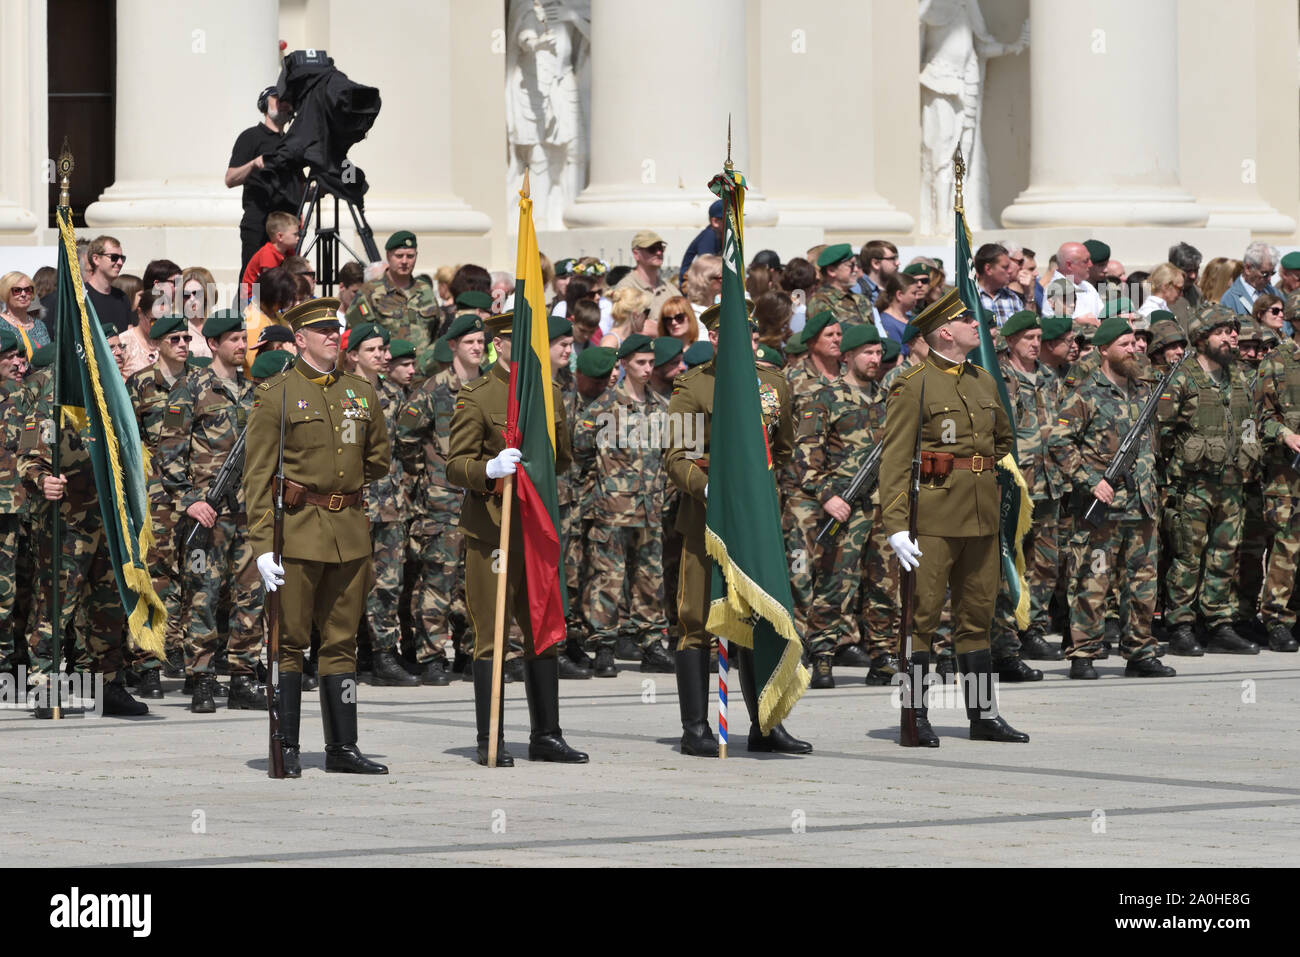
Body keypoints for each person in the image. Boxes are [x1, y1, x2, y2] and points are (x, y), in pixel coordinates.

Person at [243, 297, 392, 777]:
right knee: (288, 643)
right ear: (300, 339)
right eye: (323, 329)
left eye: (337, 328)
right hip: (298, 531)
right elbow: (258, 476)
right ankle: (286, 743)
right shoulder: (276, 394)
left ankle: (342, 746)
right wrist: (264, 546)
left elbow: (378, 459)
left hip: (348, 529)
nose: (333, 335)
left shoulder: (362, 393)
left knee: (341, 641)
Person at [879, 288, 1029, 745]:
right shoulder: (914, 383)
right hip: (934, 518)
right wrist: (897, 524)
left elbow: (1002, 439)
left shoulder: (983, 380)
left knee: (977, 617)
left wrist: (973, 470)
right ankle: (915, 715)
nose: (975, 327)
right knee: (920, 620)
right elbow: (896, 458)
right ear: (946, 331)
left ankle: (982, 716)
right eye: (968, 320)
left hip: (981, 517)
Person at [664, 302, 811, 757]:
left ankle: (766, 725)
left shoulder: (773, 384)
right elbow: (676, 456)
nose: (743, 344)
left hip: (754, 521)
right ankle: (695, 728)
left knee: (758, 615)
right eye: (730, 337)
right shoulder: (694, 386)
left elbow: (782, 449)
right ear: (713, 340)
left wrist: (750, 488)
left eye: (748, 335)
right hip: (704, 521)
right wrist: (709, 488)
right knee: (695, 620)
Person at [445, 311, 589, 767]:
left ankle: (546, 734)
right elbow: (455, 465)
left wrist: (533, 474)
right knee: (491, 635)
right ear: (498, 344)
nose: (526, 351)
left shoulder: (548, 393)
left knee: (542, 632)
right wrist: (488, 471)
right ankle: (492, 738)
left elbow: (560, 458)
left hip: (536, 528)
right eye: (517, 342)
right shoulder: (478, 394)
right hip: (493, 530)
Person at [17, 332, 149, 716]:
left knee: (108, 606)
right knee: (56, 605)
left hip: (108, 517)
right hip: (67, 521)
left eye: (121, 347)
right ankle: (44, 684)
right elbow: (29, 452)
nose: (120, 352)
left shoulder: (114, 390)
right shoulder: (56, 390)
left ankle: (107, 684)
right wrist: (43, 479)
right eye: (112, 346)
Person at [1048, 317, 1177, 678]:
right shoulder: (1085, 394)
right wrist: (1090, 479)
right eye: (1125, 344)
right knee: (1093, 580)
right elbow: (1058, 443)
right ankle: (1084, 652)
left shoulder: (1144, 392)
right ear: (1104, 350)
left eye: (1135, 343)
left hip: (1142, 505)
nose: (1134, 348)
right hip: (1103, 508)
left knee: (1142, 584)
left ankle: (1139, 652)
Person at [159, 310, 266, 712]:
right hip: (208, 512)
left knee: (251, 595)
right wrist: (191, 501)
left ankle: (242, 676)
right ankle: (201, 677)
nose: (241, 346)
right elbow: (169, 455)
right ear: (214, 344)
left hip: (249, 512)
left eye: (244, 339)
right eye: (234, 339)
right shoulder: (190, 389)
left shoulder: (255, 392)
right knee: (201, 595)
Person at [1157, 304, 1260, 655]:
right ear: (1202, 338)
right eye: (1222, 332)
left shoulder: (1239, 377)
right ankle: (1181, 625)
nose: (1232, 337)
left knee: (1224, 555)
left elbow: (1249, 424)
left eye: (1233, 331)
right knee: (1188, 556)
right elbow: (1161, 433)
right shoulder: (1181, 377)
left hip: (1231, 485)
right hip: (1192, 487)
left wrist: (1248, 452)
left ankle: (1217, 622)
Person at [572, 333, 674, 677]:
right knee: (607, 578)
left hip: (650, 509)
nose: (647, 369)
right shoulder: (603, 407)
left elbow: (669, 457)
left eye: (650, 363)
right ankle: (603, 645)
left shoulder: (661, 408)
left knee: (650, 577)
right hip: (611, 509)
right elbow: (580, 450)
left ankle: (650, 643)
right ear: (624, 364)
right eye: (640, 363)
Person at [800, 323, 891, 688]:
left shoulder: (889, 399)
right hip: (845, 508)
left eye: (879, 352)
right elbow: (806, 457)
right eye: (868, 353)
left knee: (886, 584)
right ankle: (822, 654)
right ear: (848, 356)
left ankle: (883, 654)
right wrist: (827, 495)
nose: (875, 359)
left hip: (885, 508)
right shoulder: (826, 398)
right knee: (835, 582)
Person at [343, 322, 418, 688]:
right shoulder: (341, 393)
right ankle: (353, 652)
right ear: (353, 355)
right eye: (373, 349)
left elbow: (409, 445)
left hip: (389, 502)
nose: (382, 356)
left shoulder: (396, 394)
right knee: (350, 581)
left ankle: (384, 654)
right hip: (353, 502)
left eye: (383, 349)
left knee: (388, 581)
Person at [126, 314, 192, 680]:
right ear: (158, 345)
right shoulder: (139, 385)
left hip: (192, 493)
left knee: (191, 575)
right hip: (153, 496)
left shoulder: (198, 383)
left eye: (186, 338)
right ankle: (148, 659)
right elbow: (127, 440)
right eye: (175, 339)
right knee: (154, 575)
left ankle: (179, 648)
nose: (183, 345)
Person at [226, 85, 304, 276]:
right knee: (254, 279)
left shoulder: (293, 143)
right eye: (278, 99)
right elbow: (230, 179)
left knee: (287, 281)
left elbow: (298, 188)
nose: (284, 104)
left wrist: (322, 188)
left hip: (287, 228)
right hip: (258, 223)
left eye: (287, 101)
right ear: (264, 103)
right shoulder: (250, 137)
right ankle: (247, 307)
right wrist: (253, 163)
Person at [345, 231, 440, 367]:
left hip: (422, 375)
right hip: (386, 374)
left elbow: (438, 331)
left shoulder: (425, 290)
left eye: (410, 256)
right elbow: (354, 335)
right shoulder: (369, 292)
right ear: (389, 256)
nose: (404, 261)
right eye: (399, 256)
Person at [613, 231, 681, 328]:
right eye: (652, 249)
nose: (659, 252)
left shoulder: (671, 290)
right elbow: (628, 327)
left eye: (661, 248)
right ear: (636, 253)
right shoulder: (625, 288)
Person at [241, 266, 298, 376]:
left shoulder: (278, 316)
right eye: (281, 301)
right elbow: (255, 364)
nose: (283, 304)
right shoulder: (251, 320)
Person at [240, 210, 300, 301]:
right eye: (295, 234)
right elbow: (270, 285)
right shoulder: (268, 254)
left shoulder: (289, 251)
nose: (298, 237)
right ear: (280, 236)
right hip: (252, 296)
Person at [808, 244, 872, 327]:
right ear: (831, 271)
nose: (856, 269)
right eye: (851, 265)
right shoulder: (820, 302)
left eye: (856, 265)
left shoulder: (861, 299)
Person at [1220, 243, 1279, 316]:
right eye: (1265, 274)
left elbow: (1286, 325)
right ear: (1248, 269)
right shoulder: (1230, 299)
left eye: (1272, 273)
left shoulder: (1274, 292)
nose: (1269, 278)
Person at [0, 272, 49, 359]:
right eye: (17, 290)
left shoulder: (39, 325)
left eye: (27, 290)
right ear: (6, 293)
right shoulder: (1, 324)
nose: (23, 294)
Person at [974, 243, 1023, 327]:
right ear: (988, 269)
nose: (1010, 271)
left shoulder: (1013, 298)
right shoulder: (969, 298)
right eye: (1005, 267)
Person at [679, 200, 723, 282]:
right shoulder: (708, 236)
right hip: (691, 285)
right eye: (731, 220)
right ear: (715, 222)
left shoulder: (721, 237)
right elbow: (707, 268)